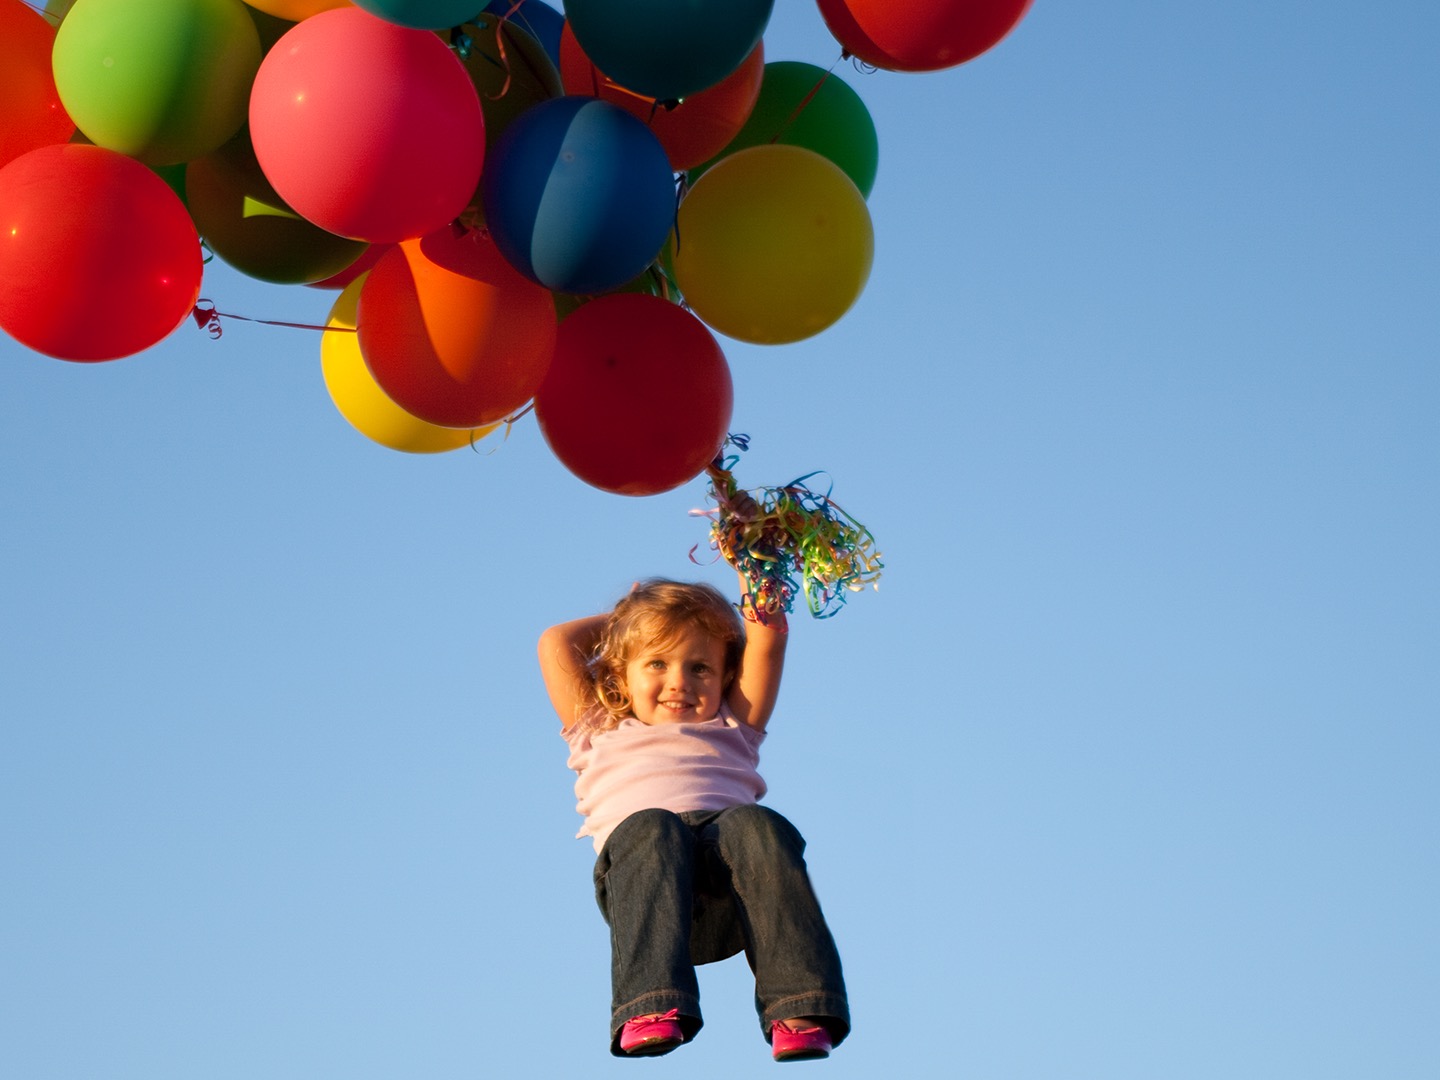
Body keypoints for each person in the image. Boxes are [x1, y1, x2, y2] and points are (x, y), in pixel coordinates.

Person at [537, 576, 850, 1061]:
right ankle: (651, 1005)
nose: (679, 680)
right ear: (621, 675)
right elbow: (557, 643)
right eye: (657, 662)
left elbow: (767, 638)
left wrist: (752, 566)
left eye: (700, 666)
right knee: (652, 826)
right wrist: (629, 621)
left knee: (757, 824)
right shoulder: (599, 730)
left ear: (725, 678)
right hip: (651, 902)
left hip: (735, 895)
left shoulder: (733, 724)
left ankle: (799, 1006)